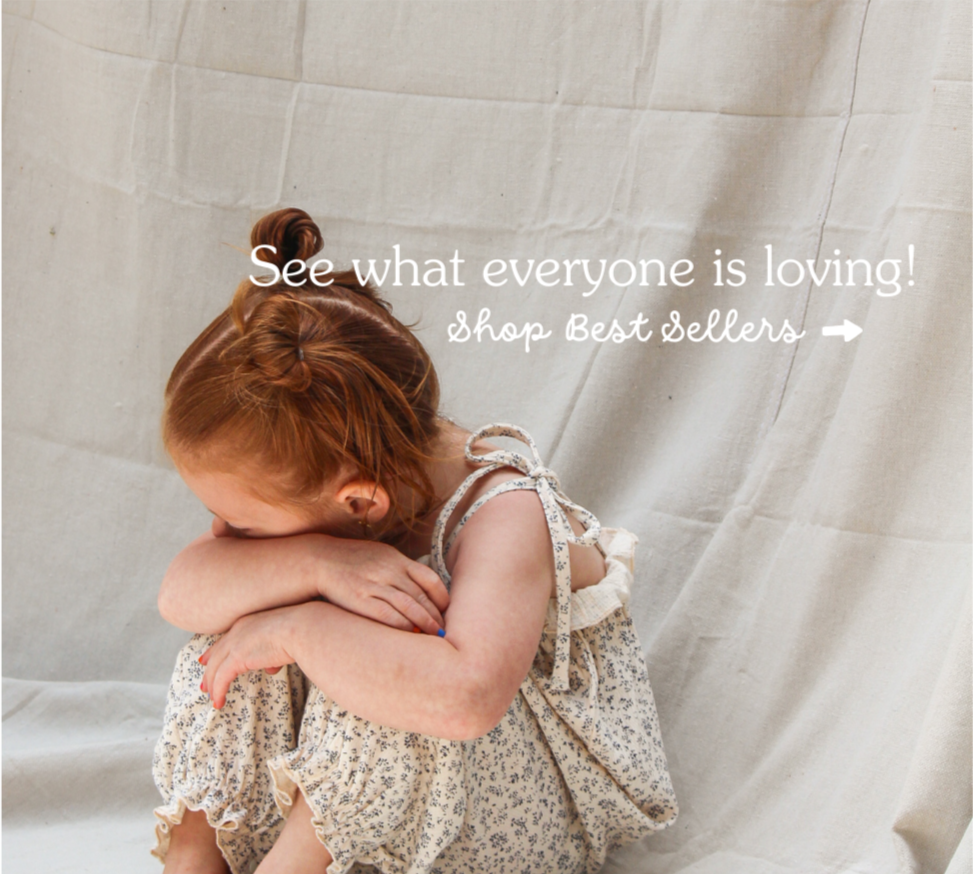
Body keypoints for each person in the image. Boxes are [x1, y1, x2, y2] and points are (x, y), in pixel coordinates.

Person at [151, 207, 677, 874]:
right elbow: (182, 593)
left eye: (245, 525)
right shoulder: (345, 495)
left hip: (525, 806)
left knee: (396, 663)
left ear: (360, 502)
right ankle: (194, 864)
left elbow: (465, 698)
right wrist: (317, 563)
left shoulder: (504, 512)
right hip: (395, 802)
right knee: (222, 649)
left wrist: (300, 628)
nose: (227, 536)